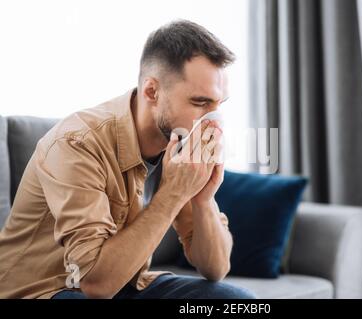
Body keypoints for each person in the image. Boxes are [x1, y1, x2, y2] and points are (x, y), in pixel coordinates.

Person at [0, 20, 256, 299]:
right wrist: (173, 193)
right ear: (152, 92)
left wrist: (203, 199)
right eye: (200, 103)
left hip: (126, 284)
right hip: (47, 289)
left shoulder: (180, 145)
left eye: (220, 105)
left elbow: (216, 268)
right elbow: (95, 285)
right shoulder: (77, 143)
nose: (214, 122)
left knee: (235, 301)